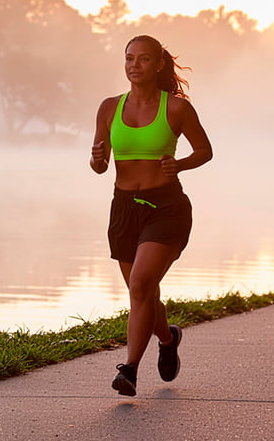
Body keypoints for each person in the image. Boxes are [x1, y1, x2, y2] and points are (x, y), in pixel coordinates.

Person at [89, 34, 213, 396]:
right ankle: (167, 337)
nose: (134, 65)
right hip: (124, 208)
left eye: (143, 59)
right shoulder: (110, 107)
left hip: (166, 207)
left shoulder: (175, 108)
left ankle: (128, 369)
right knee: (142, 291)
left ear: (159, 64)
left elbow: (205, 151)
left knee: (141, 285)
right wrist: (97, 161)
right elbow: (99, 165)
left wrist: (180, 164)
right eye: (129, 58)